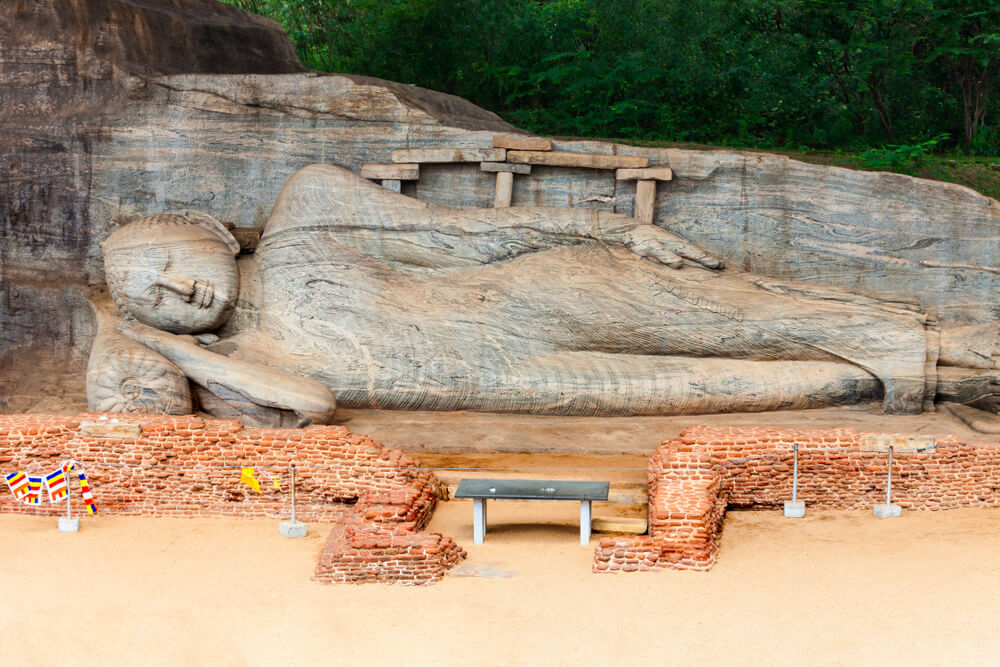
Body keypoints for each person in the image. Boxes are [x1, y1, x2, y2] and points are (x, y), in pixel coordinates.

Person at [91, 164, 999, 424]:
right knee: (771, 385)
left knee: (764, 319)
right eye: (152, 297)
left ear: (209, 227)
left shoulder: (304, 216)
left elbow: (471, 233)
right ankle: (943, 383)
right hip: (525, 376)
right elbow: (314, 403)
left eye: (168, 259)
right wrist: (176, 350)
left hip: (544, 296)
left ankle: (964, 342)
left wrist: (614, 231)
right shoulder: (246, 361)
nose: (178, 289)